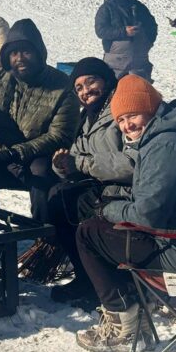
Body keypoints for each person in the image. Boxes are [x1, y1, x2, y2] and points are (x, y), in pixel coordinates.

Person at [74, 74, 176, 352]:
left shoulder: (165, 144)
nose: (127, 125)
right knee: (106, 229)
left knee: (89, 233)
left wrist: (106, 209)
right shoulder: (170, 134)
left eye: (132, 115)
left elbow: (146, 217)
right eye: (120, 120)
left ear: (151, 109)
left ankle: (125, 324)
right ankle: (136, 318)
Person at [0, 18, 80, 224]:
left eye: (26, 52)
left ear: (39, 53)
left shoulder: (62, 86)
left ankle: (44, 234)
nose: (20, 58)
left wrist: (17, 152)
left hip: (36, 158)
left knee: (42, 173)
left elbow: (59, 135)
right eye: (13, 53)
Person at [48, 57, 128, 307]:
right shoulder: (88, 118)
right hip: (103, 184)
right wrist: (62, 165)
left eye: (91, 82)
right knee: (58, 198)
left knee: (79, 206)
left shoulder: (120, 110)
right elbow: (78, 154)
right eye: (79, 87)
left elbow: (128, 163)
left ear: (106, 79)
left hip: (126, 188)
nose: (86, 91)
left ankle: (105, 281)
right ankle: (86, 276)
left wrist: (80, 164)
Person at [94, 0, 157, 81]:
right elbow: (100, 30)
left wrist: (148, 42)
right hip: (116, 61)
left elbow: (152, 25)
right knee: (116, 91)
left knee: (141, 92)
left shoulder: (139, 7)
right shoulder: (107, 8)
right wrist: (124, 32)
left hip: (139, 60)